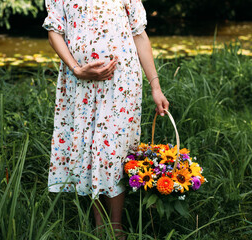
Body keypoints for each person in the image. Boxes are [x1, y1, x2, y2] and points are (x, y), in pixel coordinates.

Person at [42, 0, 169, 238]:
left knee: (116, 151)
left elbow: (139, 35)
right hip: (80, 83)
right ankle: (99, 225)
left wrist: (155, 86)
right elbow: (54, 32)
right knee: (89, 150)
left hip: (121, 84)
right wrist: (76, 69)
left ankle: (117, 226)